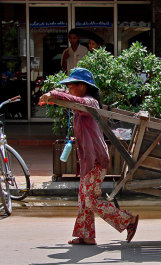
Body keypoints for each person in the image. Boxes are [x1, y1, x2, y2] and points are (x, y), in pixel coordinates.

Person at [39, 68, 139, 245]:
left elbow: (72, 99)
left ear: (83, 86)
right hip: (88, 160)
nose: (68, 89)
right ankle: (86, 235)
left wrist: (53, 94)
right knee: (84, 199)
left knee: (90, 201)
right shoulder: (81, 104)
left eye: (71, 85)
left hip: (96, 160)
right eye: (67, 86)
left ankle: (127, 219)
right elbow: (70, 98)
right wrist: (53, 96)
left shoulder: (89, 102)